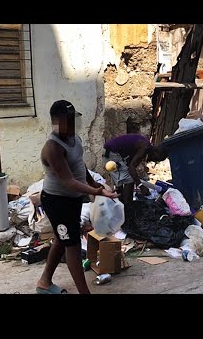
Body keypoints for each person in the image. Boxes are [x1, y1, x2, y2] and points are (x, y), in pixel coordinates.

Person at [36, 100, 119, 294]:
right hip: (57, 201)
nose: (72, 125)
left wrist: (94, 184)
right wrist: (98, 192)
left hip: (72, 200)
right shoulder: (53, 148)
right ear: (56, 121)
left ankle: (44, 282)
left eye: (73, 120)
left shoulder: (75, 139)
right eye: (67, 121)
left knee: (61, 238)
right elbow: (68, 181)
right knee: (72, 246)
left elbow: (79, 166)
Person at [102, 134, 168, 206]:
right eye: (156, 159)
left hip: (115, 152)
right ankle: (127, 206)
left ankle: (123, 204)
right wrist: (140, 185)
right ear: (155, 151)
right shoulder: (144, 148)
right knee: (129, 179)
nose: (154, 161)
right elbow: (131, 167)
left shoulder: (146, 147)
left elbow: (131, 163)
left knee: (125, 179)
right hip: (112, 152)